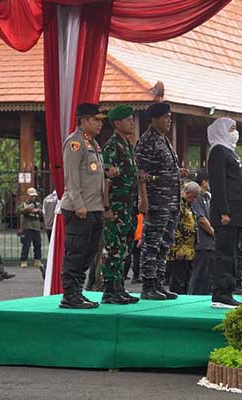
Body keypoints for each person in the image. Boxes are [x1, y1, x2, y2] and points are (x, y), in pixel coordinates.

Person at [59, 103, 113, 309]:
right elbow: (71, 177)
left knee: (89, 253)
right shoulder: (75, 142)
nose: (100, 124)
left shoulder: (93, 143)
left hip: (95, 207)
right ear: (83, 121)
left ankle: (78, 292)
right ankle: (69, 296)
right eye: (96, 120)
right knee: (76, 252)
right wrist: (79, 204)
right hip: (79, 208)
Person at [135, 102, 188, 300]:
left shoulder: (164, 139)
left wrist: (177, 172)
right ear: (154, 119)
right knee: (152, 243)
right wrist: (144, 199)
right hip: (156, 201)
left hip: (171, 201)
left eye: (170, 117)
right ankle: (148, 285)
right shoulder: (147, 140)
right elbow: (141, 173)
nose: (169, 120)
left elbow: (160, 169)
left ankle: (158, 283)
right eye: (166, 117)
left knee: (165, 243)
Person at [101, 104, 141, 304]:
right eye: (128, 120)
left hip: (129, 207)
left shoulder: (128, 145)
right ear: (117, 123)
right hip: (116, 207)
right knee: (113, 248)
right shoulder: (111, 147)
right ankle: (109, 289)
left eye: (132, 119)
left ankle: (119, 287)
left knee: (124, 249)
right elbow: (106, 180)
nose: (132, 122)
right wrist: (107, 207)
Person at [207, 118, 242, 308]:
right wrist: (224, 211)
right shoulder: (218, 151)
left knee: (232, 252)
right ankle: (220, 293)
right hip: (227, 213)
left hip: (237, 213)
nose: (235, 132)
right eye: (232, 129)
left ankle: (229, 290)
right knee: (224, 253)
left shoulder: (230, 152)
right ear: (222, 130)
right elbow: (219, 184)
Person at [166, 182, 198, 295]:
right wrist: (178, 247)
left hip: (188, 249)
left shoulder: (188, 205)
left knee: (186, 279)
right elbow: (176, 227)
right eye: (193, 196)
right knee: (178, 280)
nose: (194, 199)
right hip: (179, 249)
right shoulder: (178, 205)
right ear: (187, 193)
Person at [188, 170, 215, 295]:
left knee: (207, 276)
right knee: (199, 275)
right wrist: (214, 233)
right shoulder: (197, 196)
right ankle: (194, 298)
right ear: (204, 182)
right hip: (201, 242)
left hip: (209, 243)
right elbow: (201, 219)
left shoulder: (207, 196)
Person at [17, 187, 43, 270]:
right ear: (27, 196)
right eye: (31, 196)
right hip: (27, 227)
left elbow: (43, 213)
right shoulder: (24, 204)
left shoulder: (38, 204)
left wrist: (37, 211)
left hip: (36, 227)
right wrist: (26, 209)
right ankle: (24, 260)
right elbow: (17, 211)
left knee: (38, 245)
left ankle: (37, 260)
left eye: (34, 196)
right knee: (26, 245)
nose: (33, 197)